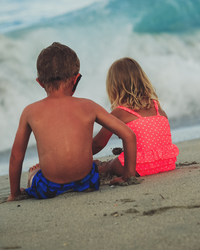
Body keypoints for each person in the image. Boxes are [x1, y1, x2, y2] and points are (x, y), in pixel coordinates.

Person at [7, 43, 137, 201]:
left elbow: (16, 156)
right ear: (76, 78)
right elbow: (129, 135)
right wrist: (128, 176)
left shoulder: (30, 112)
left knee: (35, 173)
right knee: (93, 167)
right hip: (88, 181)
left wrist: (14, 194)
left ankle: (33, 176)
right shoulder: (89, 106)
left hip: (48, 187)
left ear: (40, 82)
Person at [92, 57, 179, 177]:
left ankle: (103, 167)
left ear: (114, 87)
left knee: (108, 166)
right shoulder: (157, 106)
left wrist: (81, 156)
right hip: (167, 163)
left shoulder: (120, 112)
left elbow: (98, 143)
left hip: (138, 167)